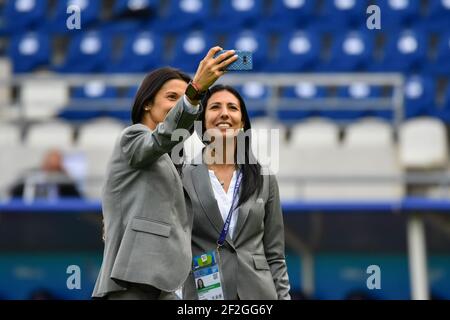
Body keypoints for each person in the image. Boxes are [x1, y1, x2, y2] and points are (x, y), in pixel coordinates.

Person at [92, 47, 238, 300]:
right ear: (147, 102)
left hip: (164, 285)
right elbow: (161, 138)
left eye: (184, 99)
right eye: (172, 97)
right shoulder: (133, 138)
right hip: (131, 284)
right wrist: (194, 93)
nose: (180, 104)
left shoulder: (175, 161)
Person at [182, 85, 291, 300]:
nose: (224, 113)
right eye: (215, 107)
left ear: (242, 123)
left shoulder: (265, 178)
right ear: (202, 121)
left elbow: (275, 255)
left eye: (232, 107)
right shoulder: (183, 176)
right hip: (203, 294)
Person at [9, 149, 82, 200]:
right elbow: (14, 195)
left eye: (56, 169)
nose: (52, 172)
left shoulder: (65, 184)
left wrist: (67, 178)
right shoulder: (29, 178)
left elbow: (78, 200)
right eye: (50, 167)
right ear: (44, 164)